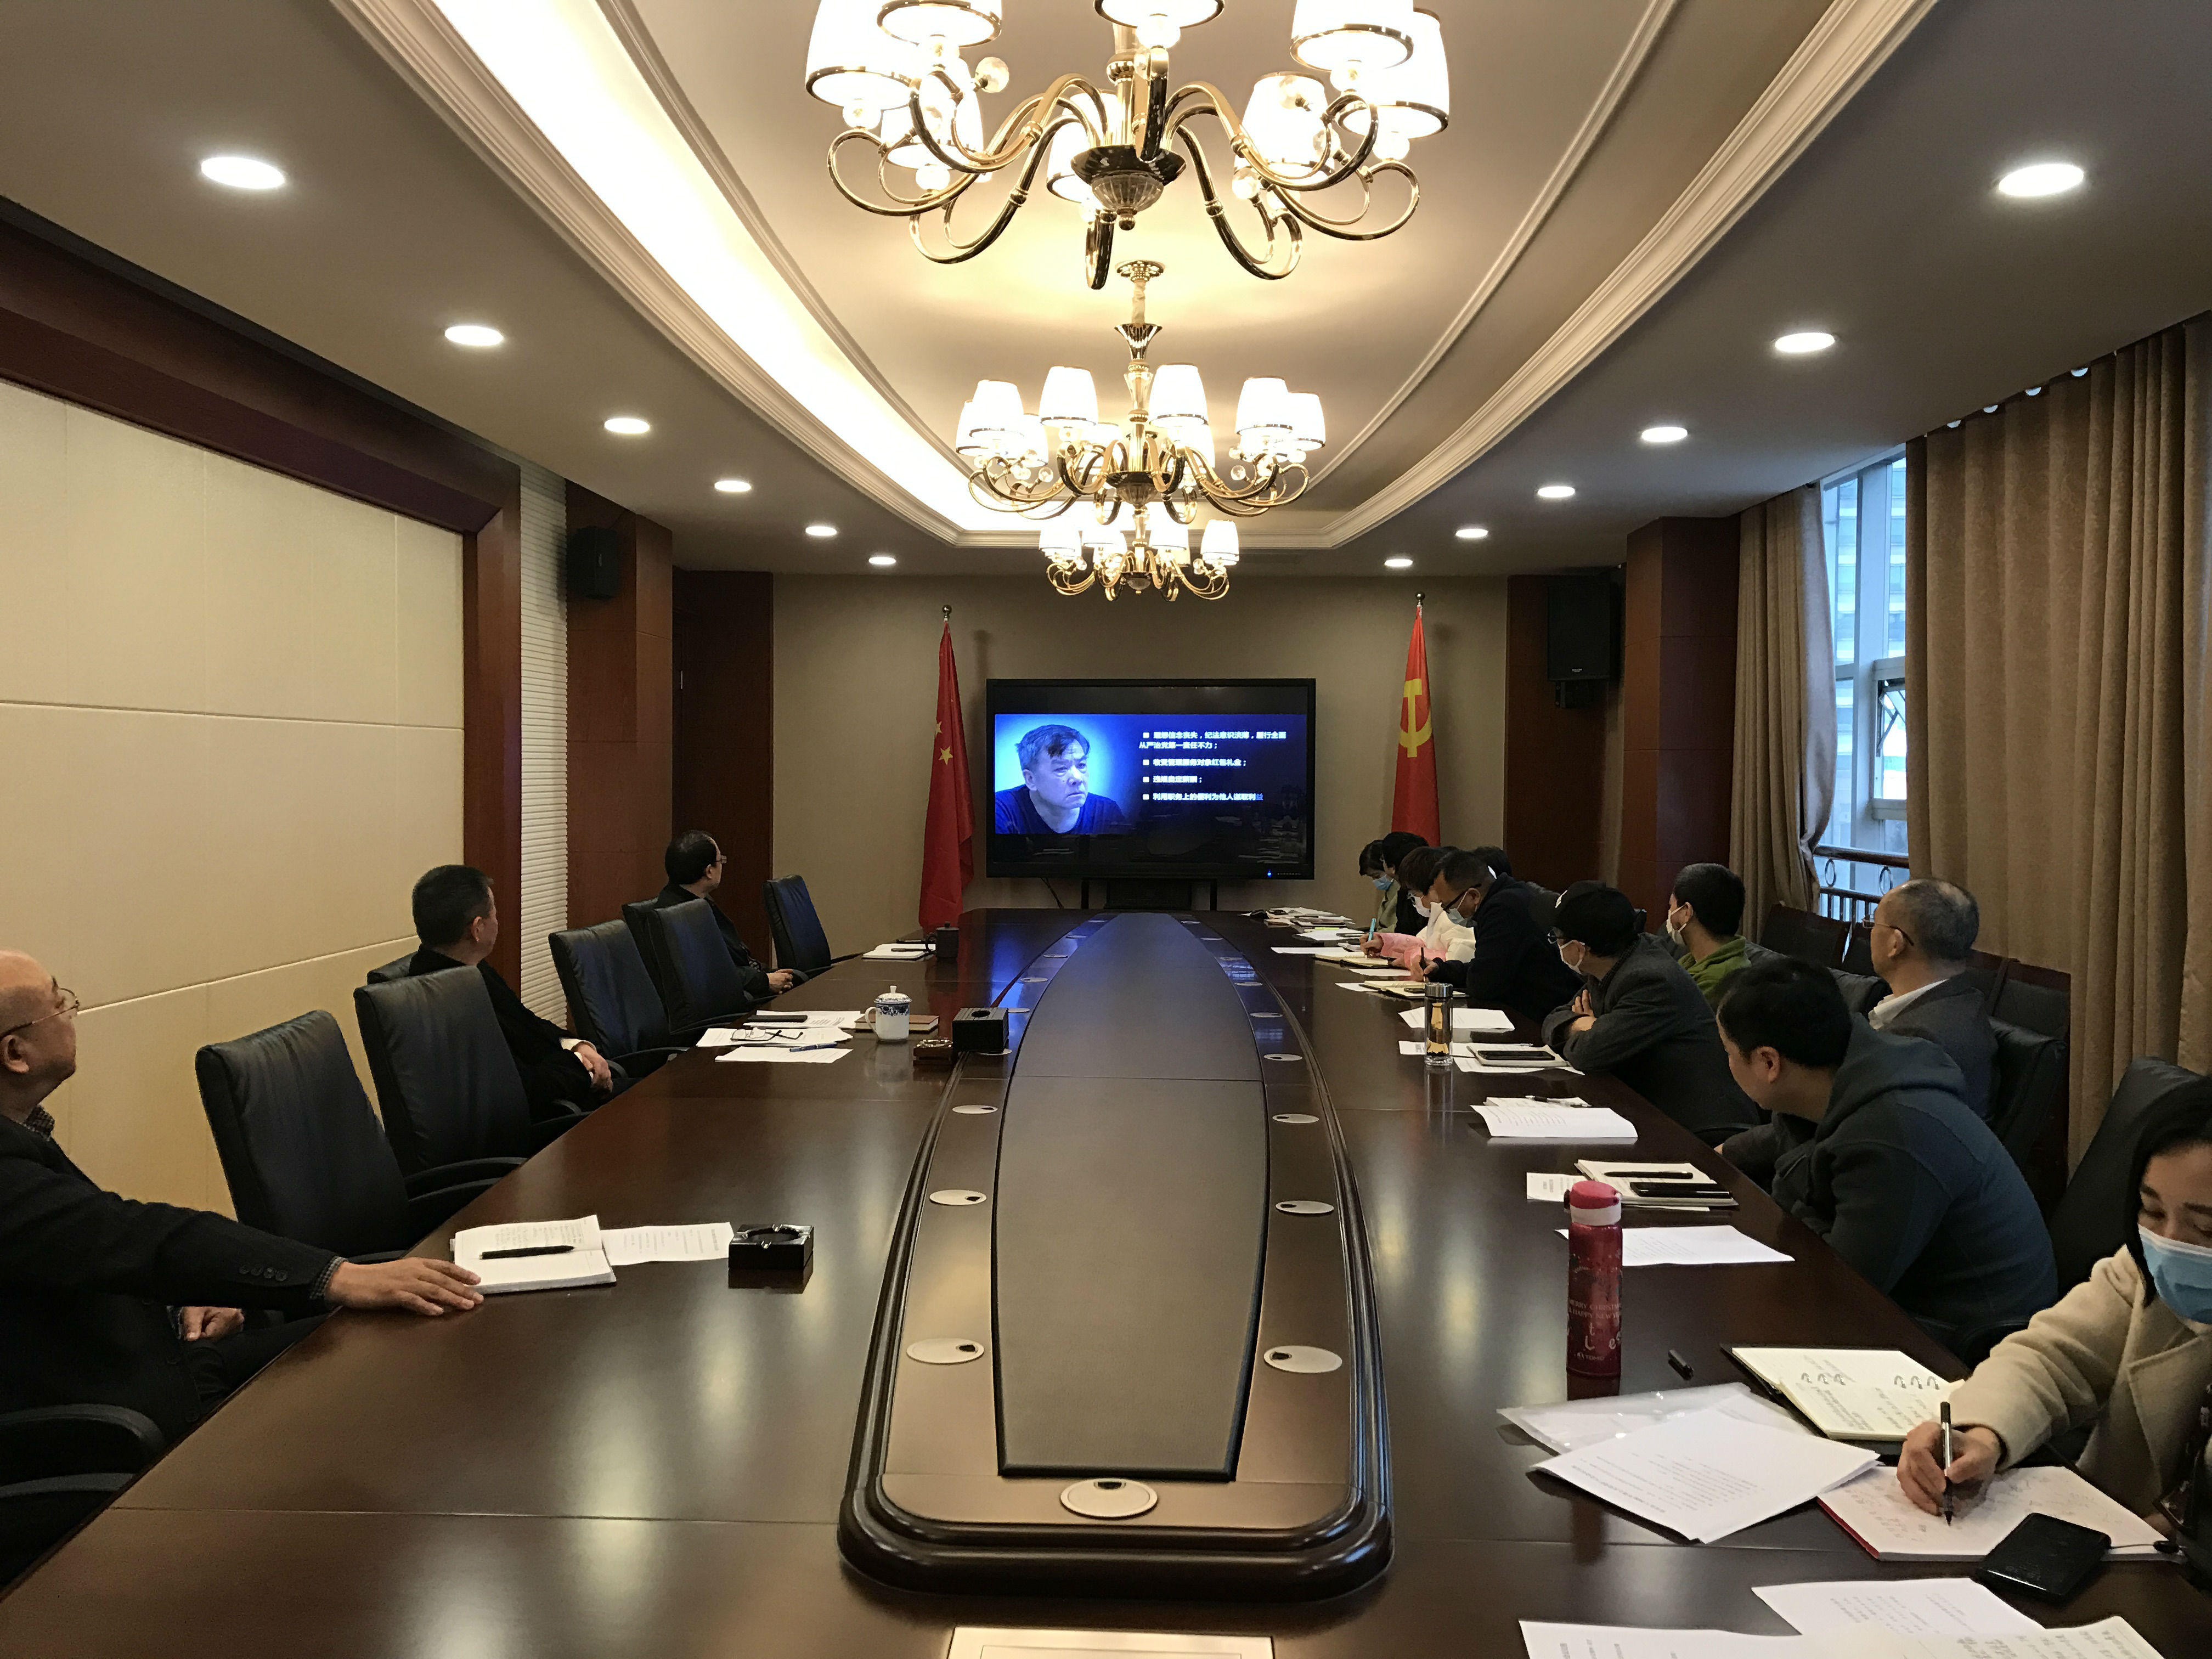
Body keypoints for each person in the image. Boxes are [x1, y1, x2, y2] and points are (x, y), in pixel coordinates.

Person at [0, 951, 483, 1444]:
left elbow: (82, 1251)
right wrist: (336, 1276)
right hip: (121, 1422)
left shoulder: (22, 1132)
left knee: (407, 1330)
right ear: (16, 1053)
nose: (72, 1012)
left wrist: (182, 1303)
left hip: (170, 1357)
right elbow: (137, 1235)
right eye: (58, 1004)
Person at [1895, 1095, 2212, 1531]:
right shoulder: (2146, 1268)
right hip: (2109, 1538)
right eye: (2152, 1210)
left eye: (2208, 1228)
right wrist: (1982, 1434)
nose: (2170, 1242)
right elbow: (2052, 1358)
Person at [1716, 958, 2055, 1348]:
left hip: (1965, 1337)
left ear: (1768, 1062)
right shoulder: (1845, 1077)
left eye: (1728, 1052)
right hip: (1905, 1297)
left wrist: (1796, 1209)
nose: (1727, 1063)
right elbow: (1789, 1154)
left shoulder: (1891, 1133)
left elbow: (1841, 1286)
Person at [1540, 882, 1757, 1143]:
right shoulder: (1613, 964)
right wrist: (1584, 1024)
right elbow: (1552, 1021)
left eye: (1557, 938)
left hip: (1700, 1130)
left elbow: (1587, 1055)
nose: (1556, 944)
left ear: (1579, 948)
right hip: (1648, 1109)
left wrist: (1592, 1029)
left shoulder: (1650, 980)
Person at [406, 865, 616, 1119]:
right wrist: (581, 1067)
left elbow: (527, 1024)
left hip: (556, 1095)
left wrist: (577, 1046)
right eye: (494, 913)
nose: (498, 921)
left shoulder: (467, 967)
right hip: (533, 1125)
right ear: (477, 929)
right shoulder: (444, 998)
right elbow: (518, 1088)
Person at [1862, 878, 1998, 1119]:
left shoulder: (1915, 1040)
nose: (1870, 932)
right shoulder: (1964, 1000)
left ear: (1895, 944)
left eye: (1873, 924)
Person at [1415, 849, 1583, 1026]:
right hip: (1535, 1009)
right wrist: (1441, 969)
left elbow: (1483, 984)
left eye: (1448, 905)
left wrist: (1459, 973)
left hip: (1545, 1017)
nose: (1448, 912)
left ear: (1473, 896)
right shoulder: (1506, 897)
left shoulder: (1504, 910)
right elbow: (1487, 967)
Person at [653, 831, 800, 1002]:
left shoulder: (696, 902)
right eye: (720, 860)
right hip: (729, 1004)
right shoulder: (680, 917)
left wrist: (768, 976)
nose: (723, 865)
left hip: (745, 986)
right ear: (709, 871)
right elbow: (712, 975)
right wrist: (764, 981)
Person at [1664, 861, 1773, 1007]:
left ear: (1686, 913)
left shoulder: (1717, 983)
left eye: (1671, 905)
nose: (1670, 914)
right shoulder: (1693, 960)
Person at [993, 723, 1131, 836]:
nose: (1078, 778)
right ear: (1030, 779)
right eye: (1061, 769)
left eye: (1081, 765)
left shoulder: (1106, 811)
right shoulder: (1001, 809)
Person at [1363, 845, 1467, 969]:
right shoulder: (1438, 914)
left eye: (1415, 894)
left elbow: (1456, 963)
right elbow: (1422, 943)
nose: (1414, 899)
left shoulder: (1457, 918)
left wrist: (1410, 958)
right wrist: (1384, 942)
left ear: (1434, 888)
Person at [1358, 830, 1428, 936]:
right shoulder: (1404, 892)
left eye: (1384, 859)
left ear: (1392, 867)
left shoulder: (1418, 893)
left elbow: (1408, 933)